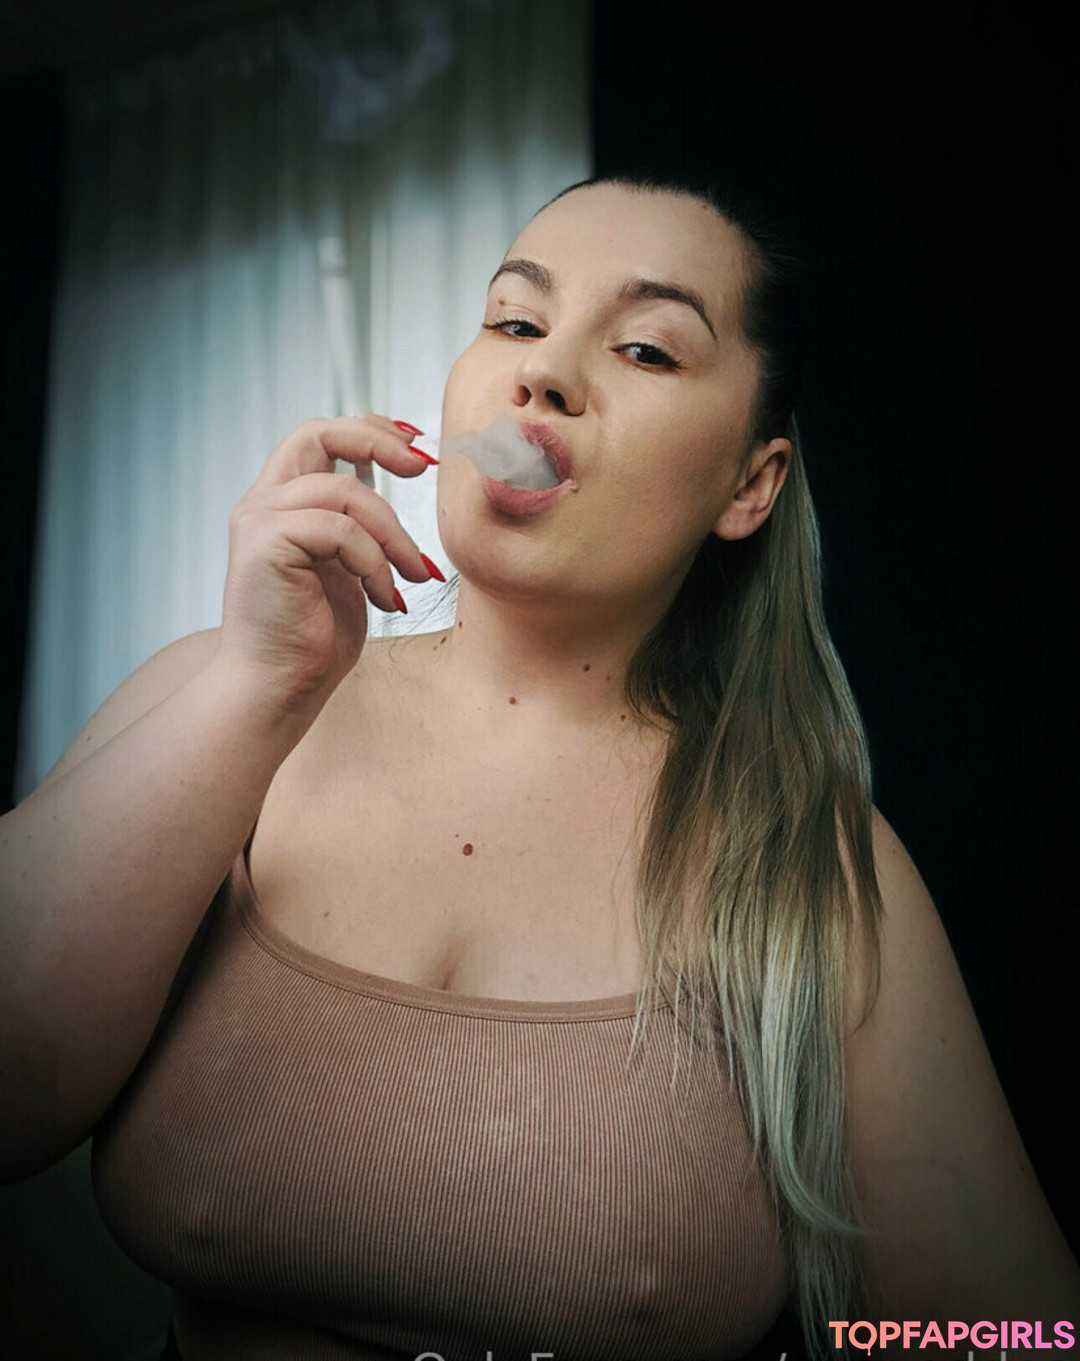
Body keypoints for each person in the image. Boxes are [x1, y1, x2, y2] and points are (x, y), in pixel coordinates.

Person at [1, 173, 1077, 1360]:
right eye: (516, 320)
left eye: (647, 349)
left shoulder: (814, 864)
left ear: (750, 484)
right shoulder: (222, 692)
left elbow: (1013, 1333)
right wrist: (257, 688)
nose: (545, 372)